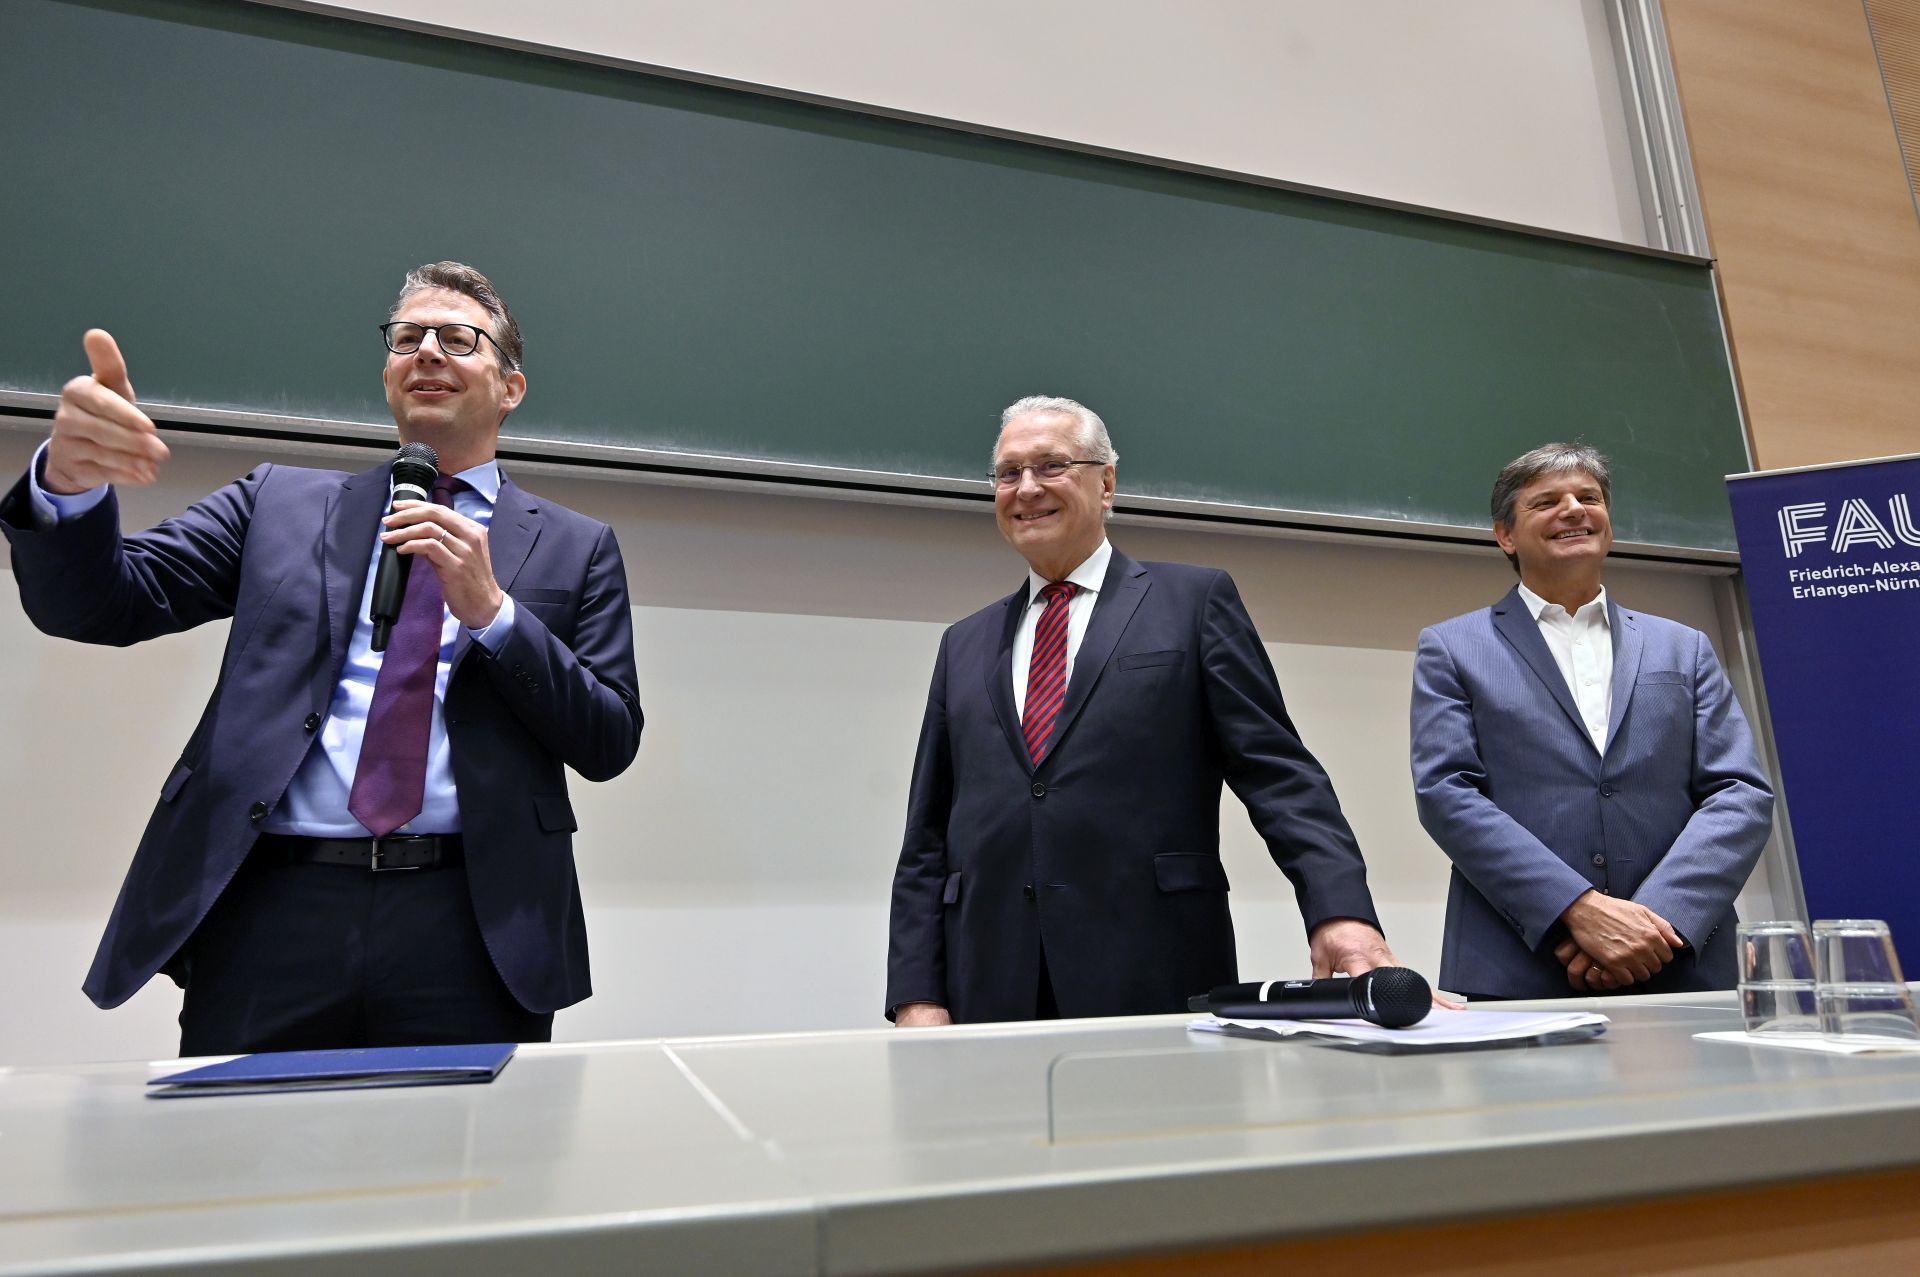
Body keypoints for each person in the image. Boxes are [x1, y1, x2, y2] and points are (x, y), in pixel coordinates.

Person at [1, 262, 643, 1053]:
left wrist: (496, 615)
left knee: (460, 1138)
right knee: (242, 1133)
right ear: (388, 374)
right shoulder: (277, 504)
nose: (427, 351)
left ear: (511, 387)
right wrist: (67, 486)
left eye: (457, 338)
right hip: (272, 905)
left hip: (473, 921)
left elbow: (609, 738)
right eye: (407, 338)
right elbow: (103, 604)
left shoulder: (576, 547)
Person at [885, 395, 1396, 1024]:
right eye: (1008, 473)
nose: (1027, 488)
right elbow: (927, 836)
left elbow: (1279, 775)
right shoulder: (964, 643)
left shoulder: (1193, 603)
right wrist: (917, 992)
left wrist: (1340, 912)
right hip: (990, 982)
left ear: (1106, 484)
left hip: (1154, 967)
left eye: (1051, 466)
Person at [1410, 442, 1773, 999]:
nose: (1574, 509)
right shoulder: (1453, 647)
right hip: (1520, 963)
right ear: (1505, 535)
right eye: (1546, 502)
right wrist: (1576, 909)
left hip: (1678, 959)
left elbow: (1740, 792)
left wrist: (1656, 923)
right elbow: (1446, 792)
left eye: (1590, 497)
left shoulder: (1685, 647)